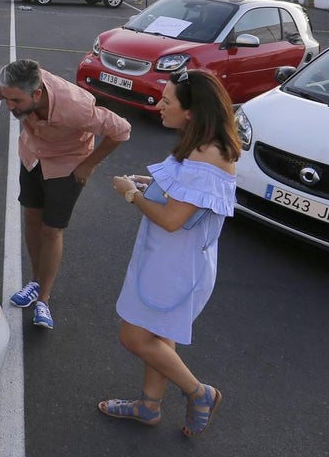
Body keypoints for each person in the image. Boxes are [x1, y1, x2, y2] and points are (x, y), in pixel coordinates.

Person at [98, 69, 237, 437]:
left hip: (174, 267)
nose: (158, 105)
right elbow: (183, 196)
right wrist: (152, 185)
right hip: (171, 261)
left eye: (167, 101)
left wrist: (132, 194)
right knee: (159, 337)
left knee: (135, 337)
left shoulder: (207, 156)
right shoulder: (200, 144)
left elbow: (173, 220)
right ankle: (148, 406)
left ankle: (199, 393)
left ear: (191, 111)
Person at [0, 59, 130, 329]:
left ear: (37, 94)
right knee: (32, 222)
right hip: (33, 158)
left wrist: (88, 165)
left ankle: (43, 299)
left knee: (52, 231)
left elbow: (121, 130)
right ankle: (35, 282)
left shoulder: (77, 108)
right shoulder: (13, 83)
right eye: (7, 99)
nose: (9, 106)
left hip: (67, 166)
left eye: (16, 102)